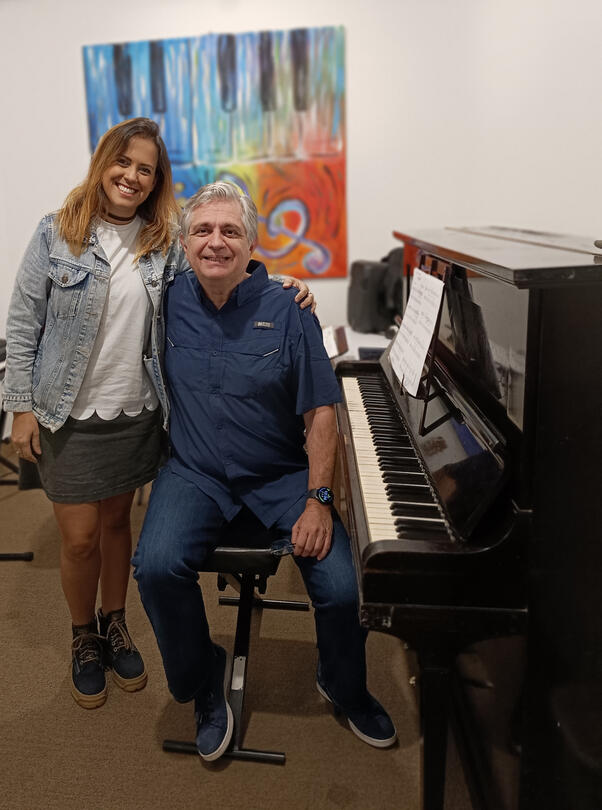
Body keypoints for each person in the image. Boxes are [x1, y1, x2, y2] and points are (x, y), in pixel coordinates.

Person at [2, 119, 313, 711]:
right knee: (79, 539)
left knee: (119, 525)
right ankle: (82, 636)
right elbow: (22, 325)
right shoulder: (55, 233)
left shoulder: (163, 240)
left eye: (145, 169)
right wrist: (19, 409)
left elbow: (217, 267)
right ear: (103, 163)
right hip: (65, 413)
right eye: (123, 163)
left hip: (138, 410)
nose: (132, 177)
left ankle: (115, 621)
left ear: (156, 179)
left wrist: (280, 284)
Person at [132, 181, 396, 762]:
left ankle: (345, 684)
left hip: (280, 476)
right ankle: (205, 679)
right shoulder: (167, 300)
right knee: (153, 565)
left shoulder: (286, 306)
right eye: (202, 230)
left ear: (252, 243)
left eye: (230, 231)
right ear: (184, 242)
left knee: (343, 586)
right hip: (196, 472)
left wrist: (319, 499)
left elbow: (320, 413)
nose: (215, 242)